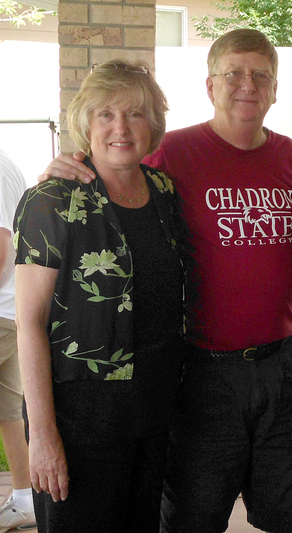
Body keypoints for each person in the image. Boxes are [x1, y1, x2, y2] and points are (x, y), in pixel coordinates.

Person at [42, 29, 292, 533]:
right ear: (210, 85)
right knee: (194, 516)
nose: (247, 84)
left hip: (281, 367)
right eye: (233, 72)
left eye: (261, 74)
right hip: (201, 369)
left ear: (275, 89)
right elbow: (113, 169)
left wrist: (288, 274)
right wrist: (68, 165)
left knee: (287, 513)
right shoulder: (171, 152)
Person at [14, 60, 185, 532]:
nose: (121, 128)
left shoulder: (164, 192)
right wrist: (43, 435)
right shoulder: (53, 200)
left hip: (151, 414)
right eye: (106, 114)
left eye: (135, 114)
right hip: (78, 422)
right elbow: (29, 321)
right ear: (85, 123)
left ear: (153, 124)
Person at [0, 147, 33, 533]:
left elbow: (2, 245)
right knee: (9, 412)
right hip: (12, 309)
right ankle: (25, 501)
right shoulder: (8, 163)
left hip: (2, 309)